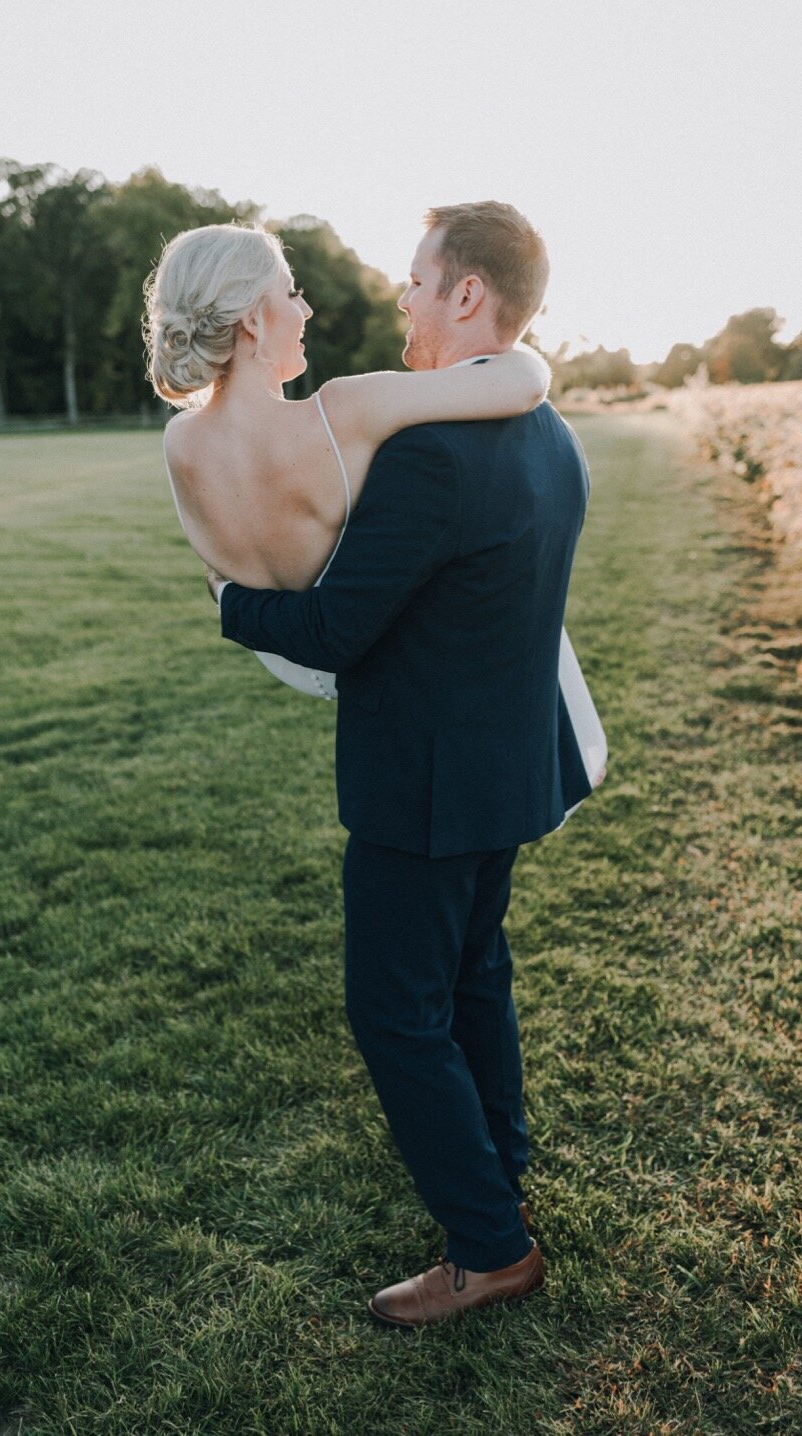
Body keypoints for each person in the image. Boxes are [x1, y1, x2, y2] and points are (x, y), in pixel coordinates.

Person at [149, 204, 595, 1325]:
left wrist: (231, 606)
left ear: (464, 295)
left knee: (395, 1012)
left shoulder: (426, 455)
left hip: (426, 779)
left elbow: (340, 631)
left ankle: (489, 1244)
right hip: (507, 767)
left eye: (414, 279)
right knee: (472, 972)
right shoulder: (551, 433)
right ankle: (503, 1162)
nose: (396, 296)